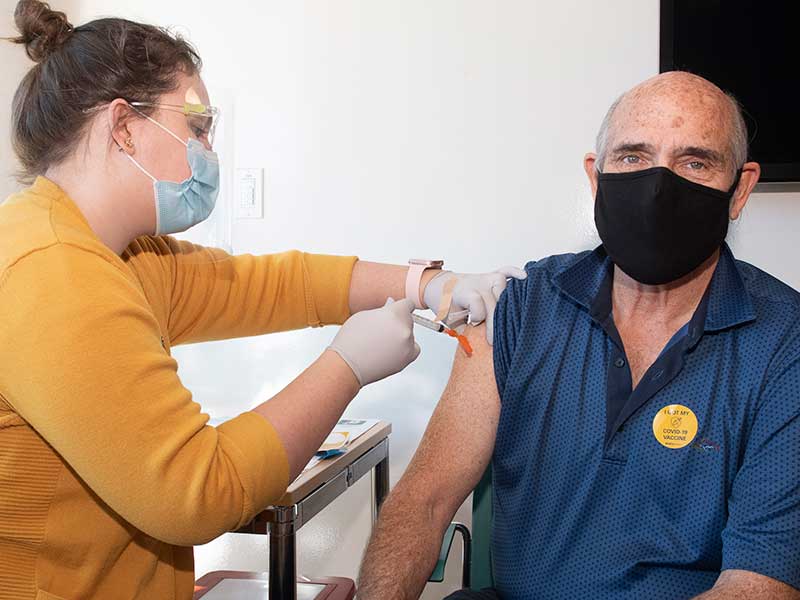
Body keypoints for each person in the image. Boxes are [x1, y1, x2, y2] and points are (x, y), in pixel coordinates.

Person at [0, 2, 525, 599]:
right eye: (197, 126)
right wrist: (345, 367)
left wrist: (428, 284)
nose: (209, 149)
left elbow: (279, 284)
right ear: (124, 126)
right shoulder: (51, 273)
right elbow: (198, 492)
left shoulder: (129, 254)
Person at [358, 72, 800, 600]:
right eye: (634, 157)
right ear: (596, 177)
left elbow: (756, 586)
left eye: (695, 162)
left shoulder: (784, 342)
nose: (659, 188)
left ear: (740, 189)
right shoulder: (519, 306)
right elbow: (423, 501)